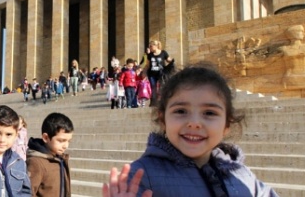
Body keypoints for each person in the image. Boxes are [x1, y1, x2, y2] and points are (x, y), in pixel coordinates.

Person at [103, 64, 278, 197]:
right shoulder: (142, 176)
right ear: (163, 120)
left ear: (227, 125)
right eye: (181, 111)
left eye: (209, 113)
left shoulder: (240, 173)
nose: (194, 123)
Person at [26, 112, 74, 197]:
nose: (65, 146)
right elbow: (28, 193)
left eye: (68, 141)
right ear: (45, 138)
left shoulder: (60, 159)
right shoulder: (36, 162)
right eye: (61, 140)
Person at [145, 40, 174, 104]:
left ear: (156, 46)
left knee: (162, 86)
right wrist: (143, 72)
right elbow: (148, 64)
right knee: (153, 87)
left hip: (161, 73)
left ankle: (163, 101)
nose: (150, 48)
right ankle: (153, 102)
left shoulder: (163, 53)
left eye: (151, 46)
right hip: (152, 74)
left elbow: (169, 60)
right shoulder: (150, 55)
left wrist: (172, 61)